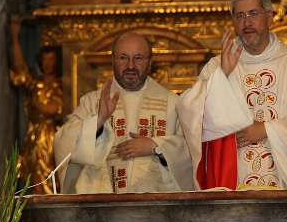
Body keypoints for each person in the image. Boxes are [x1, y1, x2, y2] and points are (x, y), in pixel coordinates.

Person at [177, 0, 287, 190]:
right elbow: (188, 111)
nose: (247, 23)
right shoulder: (217, 67)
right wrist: (222, 76)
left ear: (269, 17)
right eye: (240, 16)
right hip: (233, 185)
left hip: (285, 186)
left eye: (253, 14)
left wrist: (266, 129)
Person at [53, 32, 192, 193]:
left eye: (138, 58)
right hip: (103, 208)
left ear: (150, 63)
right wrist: (98, 121)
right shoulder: (92, 102)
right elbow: (62, 142)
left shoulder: (172, 103)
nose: (130, 66)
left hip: (158, 207)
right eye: (123, 58)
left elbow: (191, 150)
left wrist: (157, 146)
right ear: (112, 61)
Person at [9, 18, 64, 194]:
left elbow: (57, 108)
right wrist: (15, 39)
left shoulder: (62, 84)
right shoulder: (36, 84)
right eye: (45, 59)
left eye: (52, 59)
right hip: (35, 135)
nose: (48, 64)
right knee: (34, 177)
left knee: (51, 173)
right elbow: (21, 69)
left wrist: (40, 107)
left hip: (51, 136)